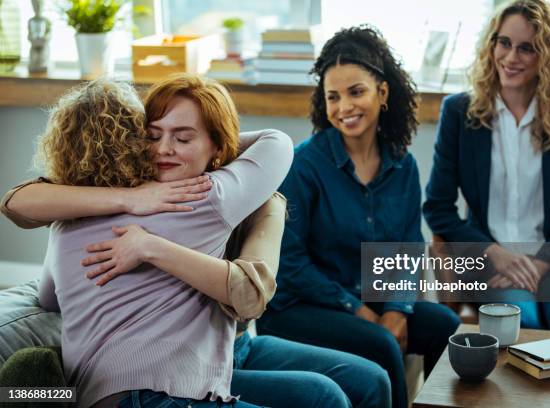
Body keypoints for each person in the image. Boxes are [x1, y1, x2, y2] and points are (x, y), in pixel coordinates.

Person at [2, 75, 392, 408]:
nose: (163, 149)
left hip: (231, 343)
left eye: (183, 138)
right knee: (343, 384)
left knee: (366, 377)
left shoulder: (65, 221)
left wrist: (399, 304)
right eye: (152, 136)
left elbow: (49, 292)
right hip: (188, 374)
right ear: (136, 140)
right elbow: (276, 144)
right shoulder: (205, 194)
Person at [256, 26, 461, 408]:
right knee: (381, 342)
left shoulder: (403, 165)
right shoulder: (304, 164)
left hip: (372, 298)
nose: (343, 108)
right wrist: (359, 309)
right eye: (332, 97)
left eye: (356, 92)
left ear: (382, 93)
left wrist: (399, 308)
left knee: (447, 328)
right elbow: (291, 264)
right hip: (301, 307)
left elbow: (409, 246)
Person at [422, 0, 550, 332]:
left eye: (526, 48)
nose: (510, 57)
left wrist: (540, 262)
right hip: (490, 258)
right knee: (519, 324)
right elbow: (438, 207)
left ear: (548, 56)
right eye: (503, 43)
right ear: (491, 44)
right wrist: (494, 253)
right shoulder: (459, 112)